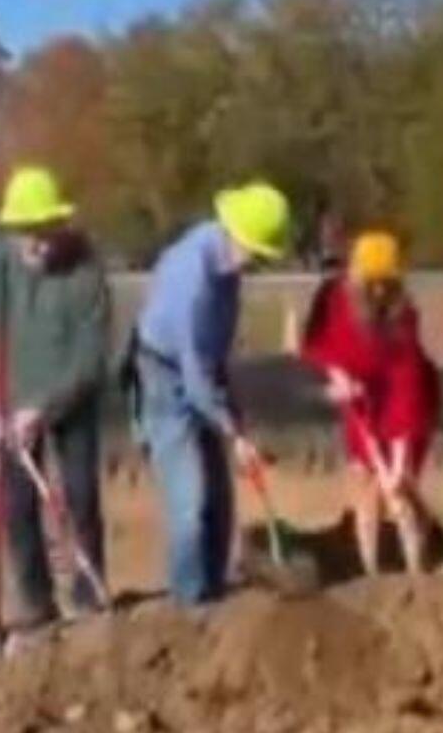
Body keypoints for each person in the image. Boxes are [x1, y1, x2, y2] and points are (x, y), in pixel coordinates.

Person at [0, 165, 110, 629]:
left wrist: (44, 408)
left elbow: (91, 359)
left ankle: (89, 597)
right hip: (10, 395)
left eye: (45, 232)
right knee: (17, 505)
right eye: (26, 233)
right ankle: (36, 603)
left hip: (69, 399)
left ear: (61, 225)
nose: (36, 244)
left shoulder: (86, 275)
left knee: (79, 496)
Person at [131, 180, 291, 605]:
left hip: (202, 370)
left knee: (220, 500)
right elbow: (194, 374)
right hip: (164, 377)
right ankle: (189, 609)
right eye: (255, 252)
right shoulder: (193, 278)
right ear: (235, 234)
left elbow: (215, 355)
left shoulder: (227, 269)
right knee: (190, 500)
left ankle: (215, 593)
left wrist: (234, 415)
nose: (255, 262)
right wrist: (234, 434)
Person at [301, 230, 439, 575]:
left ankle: (417, 568)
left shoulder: (402, 319)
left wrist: (397, 461)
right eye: (370, 283)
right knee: (363, 484)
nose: (378, 291)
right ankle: (370, 569)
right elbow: (316, 346)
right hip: (359, 403)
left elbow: (406, 390)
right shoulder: (332, 301)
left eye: (386, 283)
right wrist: (337, 377)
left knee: (399, 491)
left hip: (405, 407)